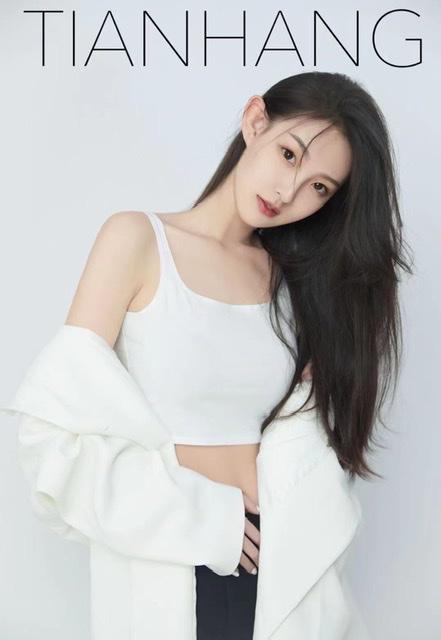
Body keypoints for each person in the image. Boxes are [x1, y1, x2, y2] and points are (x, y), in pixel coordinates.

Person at [9, 71, 412, 639]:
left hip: (278, 568)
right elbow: (52, 439)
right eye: (289, 154)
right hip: (171, 558)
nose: (288, 192)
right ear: (255, 121)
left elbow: (308, 445)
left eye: (319, 187)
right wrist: (207, 519)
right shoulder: (136, 240)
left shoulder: (296, 286)